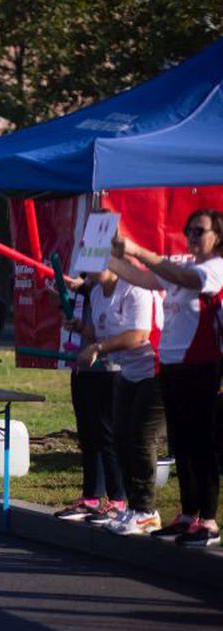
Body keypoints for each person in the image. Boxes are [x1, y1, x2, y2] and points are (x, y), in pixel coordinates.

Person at [111, 209, 223, 547]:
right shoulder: (184, 267)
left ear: (217, 236)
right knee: (182, 442)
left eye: (199, 230)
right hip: (172, 364)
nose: (191, 236)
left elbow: (184, 279)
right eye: (188, 230)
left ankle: (208, 520)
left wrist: (137, 250)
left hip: (202, 365)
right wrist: (105, 255)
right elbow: (143, 278)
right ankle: (188, 514)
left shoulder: (214, 268)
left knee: (201, 443)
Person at [64, 265, 165, 536]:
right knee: (120, 438)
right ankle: (133, 508)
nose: (89, 271)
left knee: (140, 438)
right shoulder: (97, 294)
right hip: (128, 374)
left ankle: (145, 511)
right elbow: (103, 334)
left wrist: (98, 348)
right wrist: (85, 331)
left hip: (154, 369)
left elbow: (139, 334)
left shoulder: (136, 289)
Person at [53, 275, 127, 523]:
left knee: (108, 434)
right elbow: (93, 328)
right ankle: (91, 496)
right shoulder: (92, 291)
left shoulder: (118, 287)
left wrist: (83, 286)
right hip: (83, 366)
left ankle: (118, 499)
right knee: (88, 434)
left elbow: (117, 330)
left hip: (109, 369)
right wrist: (79, 326)